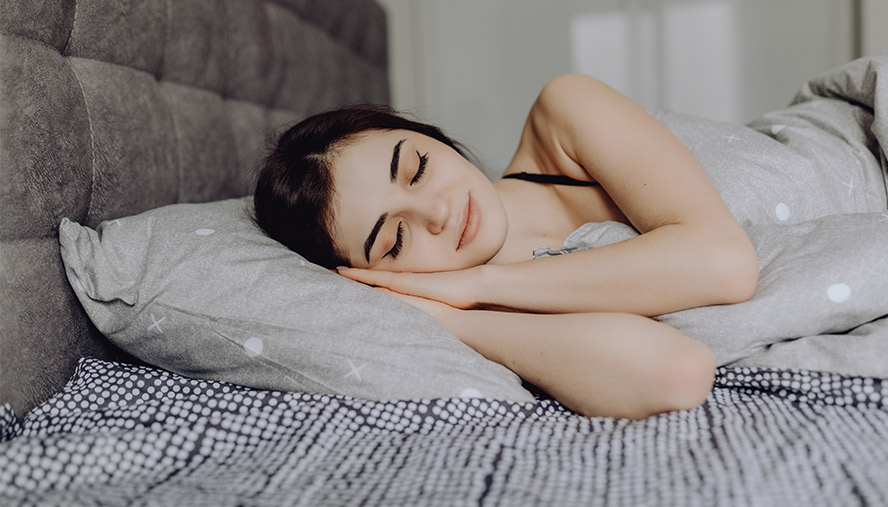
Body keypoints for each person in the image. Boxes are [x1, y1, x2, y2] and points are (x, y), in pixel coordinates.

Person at [254, 74, 759, 419]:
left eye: (419, 168)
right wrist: (450, 318)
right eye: (395, 240)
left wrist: (481, 280)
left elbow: (724, 262)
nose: (438, 212)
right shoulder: (493, 313)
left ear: (431, 136)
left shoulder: (564, 115)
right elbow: (676, 372)